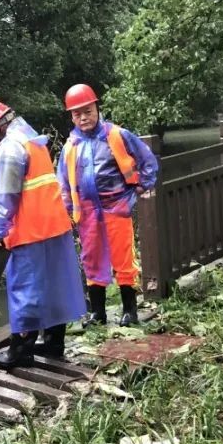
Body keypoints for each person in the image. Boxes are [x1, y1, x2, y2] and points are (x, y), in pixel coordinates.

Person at [0, 99, 87, 367]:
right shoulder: (32, 139)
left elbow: (6, 194)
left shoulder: (11, 147)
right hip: (54, 225)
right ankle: (54, 343)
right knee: (54, 286)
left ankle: (21, 351)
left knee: (26, 290)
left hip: (29, 230)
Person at [56, 83, 159, 326]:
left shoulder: (117, 135)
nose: (84, 118)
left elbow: (147, 159)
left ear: (97, 109)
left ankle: (130, 311)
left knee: (124, 257)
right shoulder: (70, 146)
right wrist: (66, 210)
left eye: (88, 111)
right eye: (77, 114)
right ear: (72, 117)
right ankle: (98, 313)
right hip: (86, 212)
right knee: (91, 259)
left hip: (116, 206)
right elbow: (63, 183)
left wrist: (142, 185)